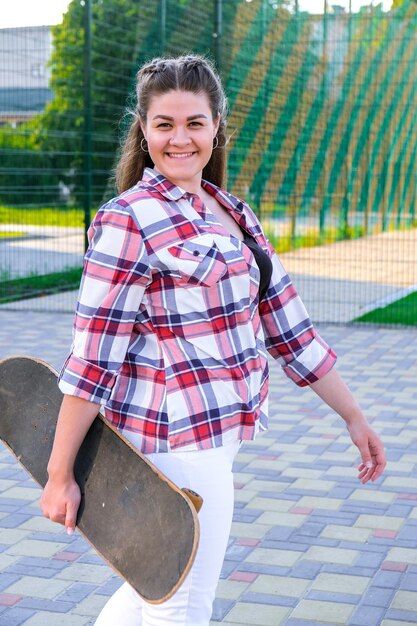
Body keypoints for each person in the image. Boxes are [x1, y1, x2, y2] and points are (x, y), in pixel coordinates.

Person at [41, 55, 386, 626]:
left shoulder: (233, 214)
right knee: (183, 604)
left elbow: (288, 326)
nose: (180, 139)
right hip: (170, 445)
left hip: (219, 437)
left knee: (151, 592)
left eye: (194, 123)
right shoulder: (128, 219)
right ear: (144, 131)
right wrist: (59, 475)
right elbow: (93, 357)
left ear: (217, 126)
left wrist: (354, 417)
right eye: (164, 125)